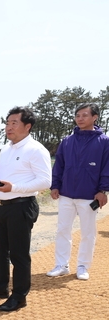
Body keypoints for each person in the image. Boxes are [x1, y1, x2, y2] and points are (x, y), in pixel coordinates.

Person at [0, 106, 51, 312]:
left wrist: (15, 187)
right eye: (7, 123)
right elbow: (0, 173)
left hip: (21, 205)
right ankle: (0, 286)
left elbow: (45, 181)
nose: (8, 127)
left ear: (27, 126)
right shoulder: (7, 148)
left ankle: (19, 296)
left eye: (14, 123)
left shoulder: (36, 150)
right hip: (2, 206)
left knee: (19, 254)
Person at [46, 103, 109, 281]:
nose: (80, 118)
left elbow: (107, 168)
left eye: (84, 115)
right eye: (77, 115)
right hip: (66, 194)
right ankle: (61, 265)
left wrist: (103, 190)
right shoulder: (67, 141)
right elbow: (59, 165)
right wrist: (55, 185)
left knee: (88, 232)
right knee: (62, 230)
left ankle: (82, 266)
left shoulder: (104, 142)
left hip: (89, 196)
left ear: (95, 117)